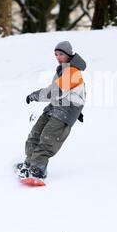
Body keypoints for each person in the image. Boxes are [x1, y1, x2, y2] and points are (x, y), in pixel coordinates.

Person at [15, 41, 87, 180]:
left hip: (64, 112)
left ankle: (37, 170)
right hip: (55, 107)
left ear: (69, 54)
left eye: (61, 54)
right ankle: (28, 164)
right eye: (56, 54)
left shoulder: (73, 72)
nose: (58, 57)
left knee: (48, 139)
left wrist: (35, 95)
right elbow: (72, 91)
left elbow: (55, 92)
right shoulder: (63, 69)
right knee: (35, 134)